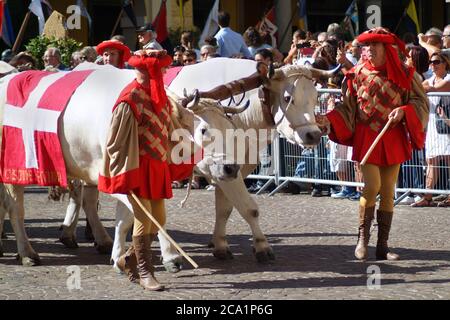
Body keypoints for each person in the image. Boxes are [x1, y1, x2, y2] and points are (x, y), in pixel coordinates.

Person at [317, 28, 429, 261]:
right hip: (367, 136)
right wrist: (328, 119)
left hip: (393, 136)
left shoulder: (406, 74)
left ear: (387, 49)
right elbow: (347, 108)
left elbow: (420, 102)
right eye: (367, 46)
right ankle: (362, 241)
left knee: (388, 192)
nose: (369, 50)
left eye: (375, 46)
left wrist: (405, 110)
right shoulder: (356, 73)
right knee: (371, 186)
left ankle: (382, 246)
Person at [98, 50, 173, 291]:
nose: (164, 72)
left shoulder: (158, 93)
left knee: (159, 218)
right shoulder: (129, 99)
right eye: (161, 68)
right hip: (138, 167)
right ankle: (144, 272)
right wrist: (123, 170)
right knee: (144, 218)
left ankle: (127, 260)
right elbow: (115, 141)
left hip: (158, 165)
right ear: (150, 70)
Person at [411, 51, 450, 208]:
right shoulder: (431, 79)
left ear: (445, 63)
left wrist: (423, 87)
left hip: (447, 125)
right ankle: (427, 197)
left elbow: (434, 88)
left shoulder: (448, 78)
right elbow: (422, 87)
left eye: (436, 62)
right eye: (431, 62)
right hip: (434, 125)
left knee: (449, 161)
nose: (432, 65)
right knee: (431, 161)